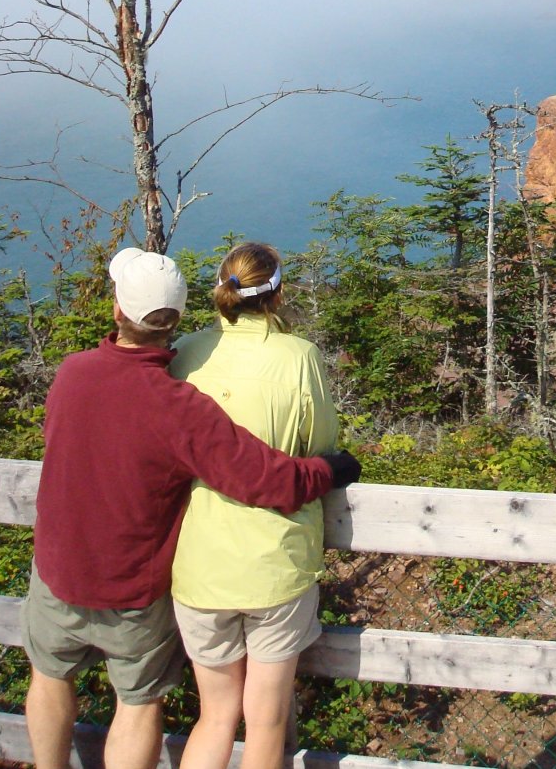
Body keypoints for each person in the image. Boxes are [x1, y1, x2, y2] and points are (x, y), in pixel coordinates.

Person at [22, 246, 355, 769]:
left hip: (57, 571)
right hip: (134, 584)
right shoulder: (174, 402)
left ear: (117, 309)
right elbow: (264, 477)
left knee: (48, 676)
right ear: (175, 319)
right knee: (137, 703)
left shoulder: (72, 374)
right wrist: (331, 471)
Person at [169, 242, 359, 769]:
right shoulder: (299, 358)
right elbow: (321, 449)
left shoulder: (185, 353)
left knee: (214, 716)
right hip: (277, 563)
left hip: (200, 566)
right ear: (277, 293)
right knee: (266, 718)